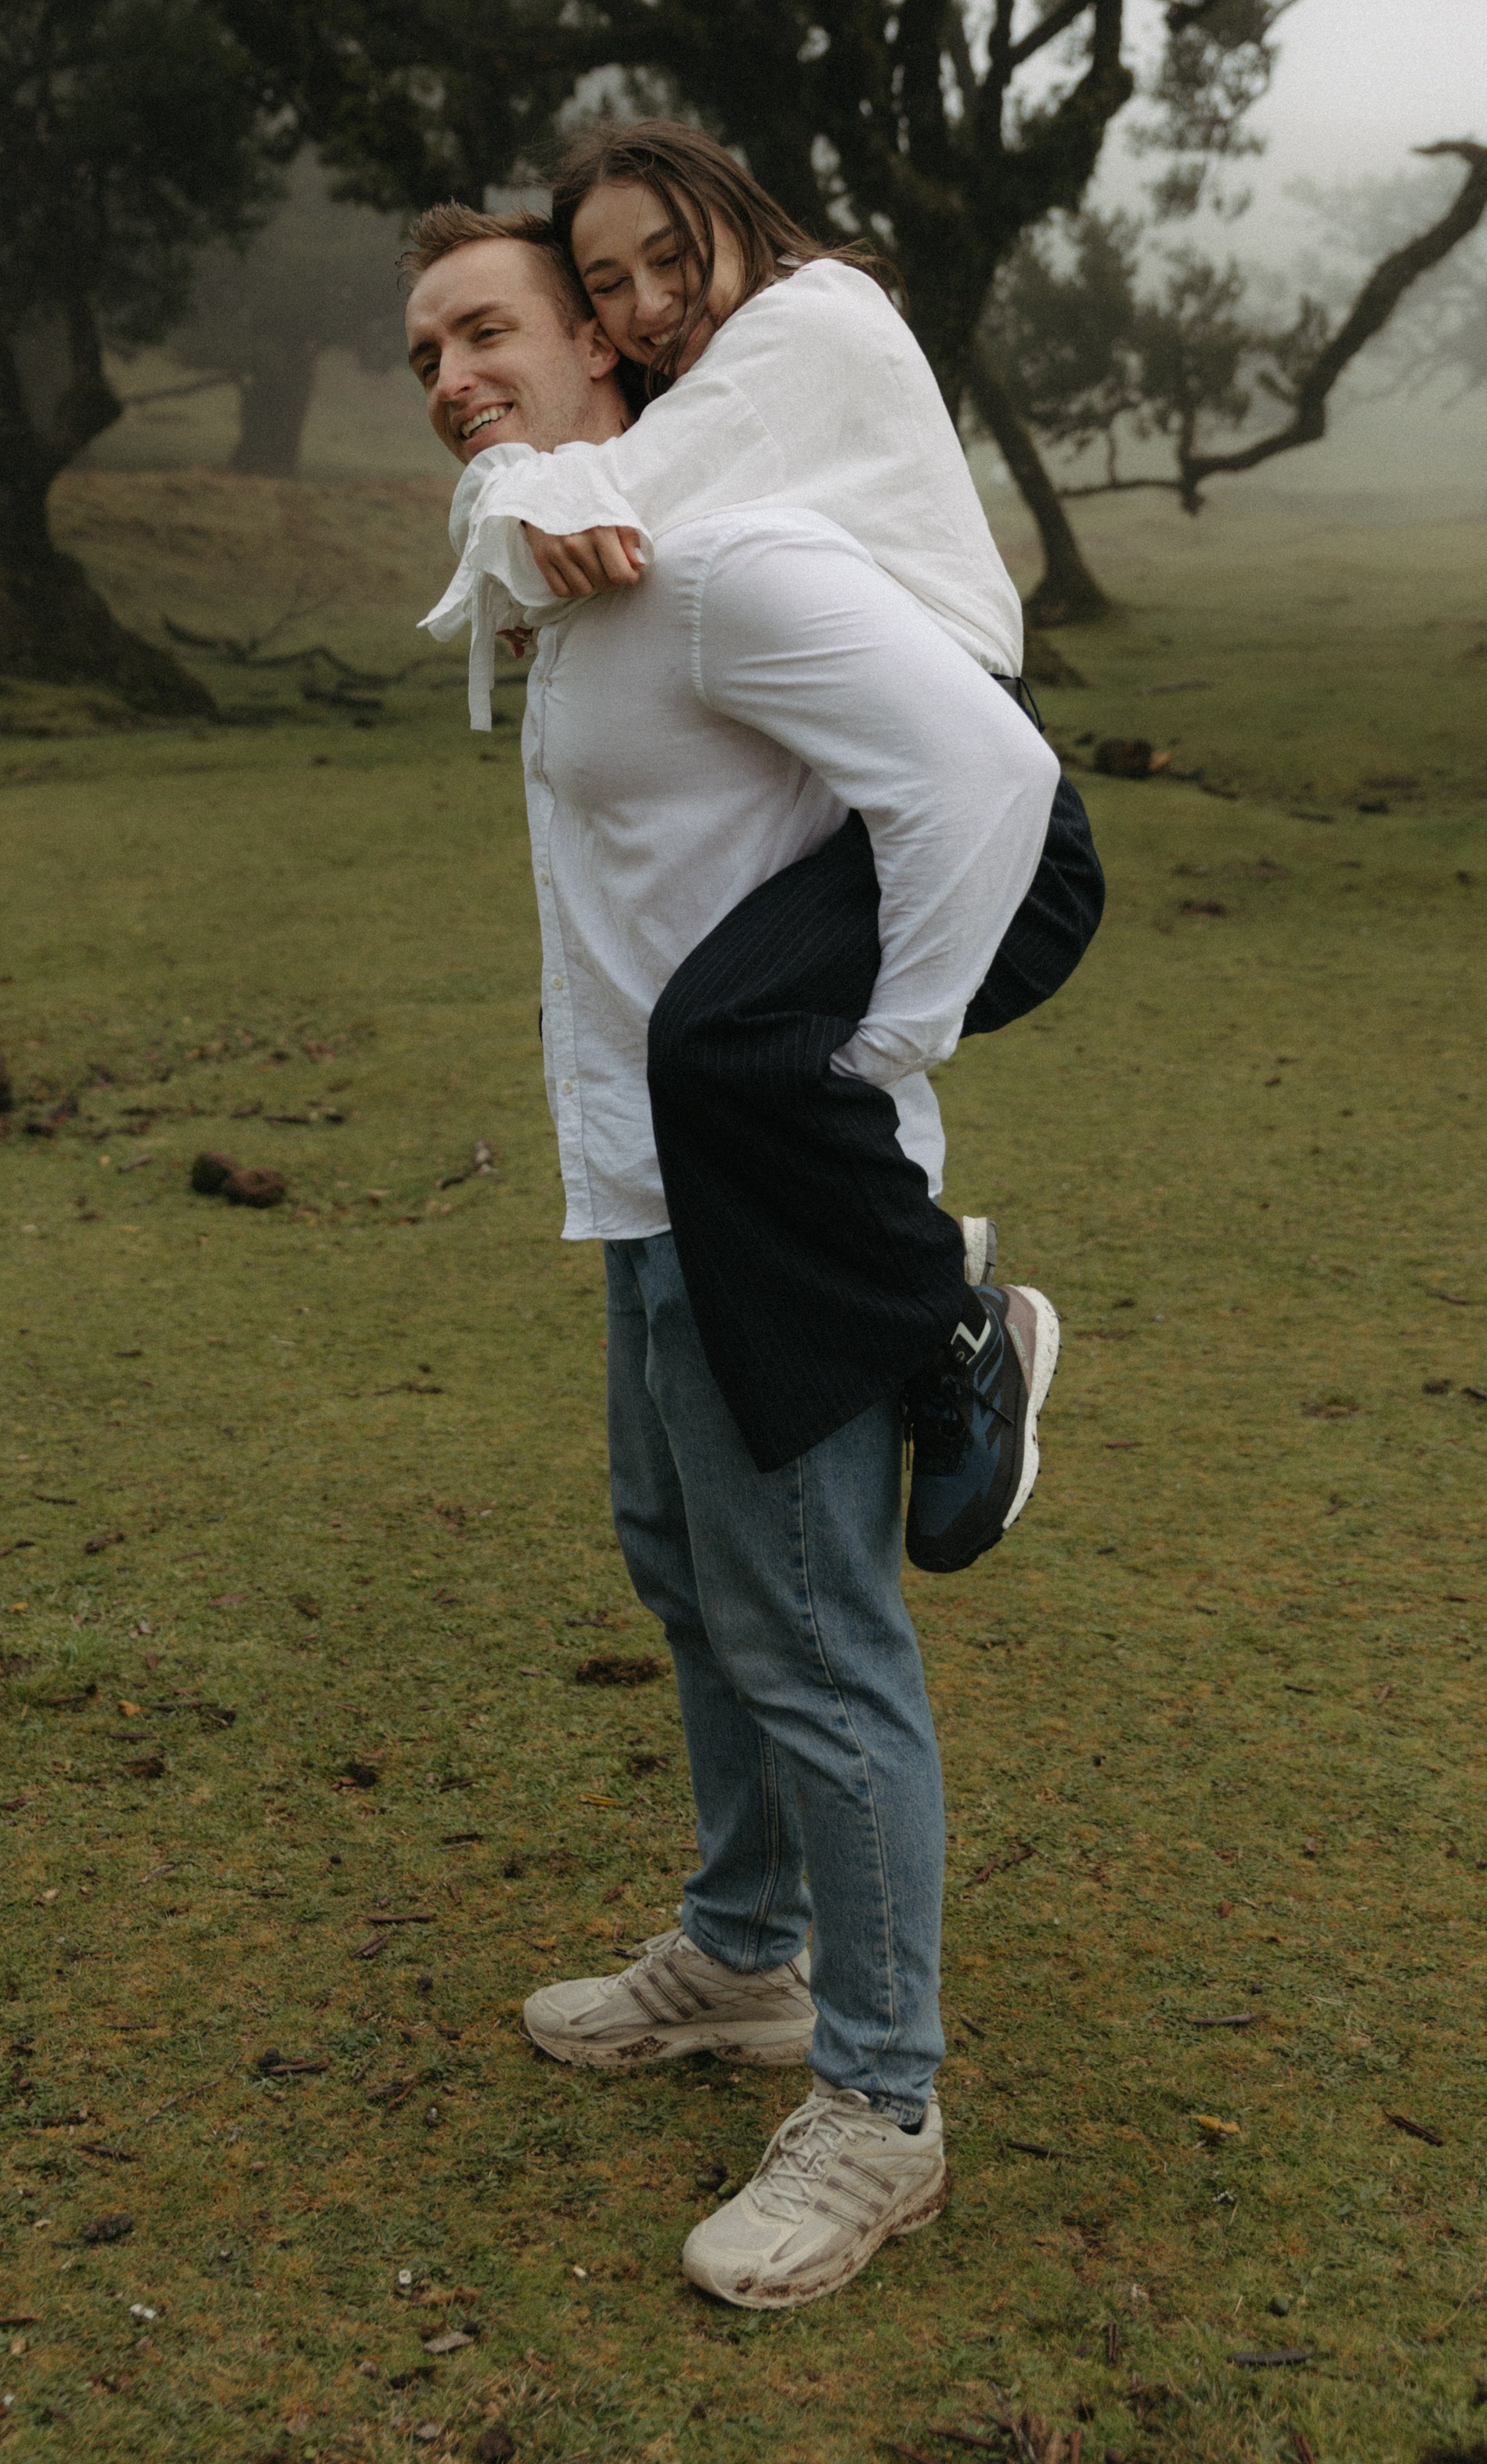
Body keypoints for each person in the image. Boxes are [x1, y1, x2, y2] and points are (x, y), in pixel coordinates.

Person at [402, 184, 1090, 2311]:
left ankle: (882, 2103)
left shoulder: (726, 550)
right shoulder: (582, 563)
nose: (459, 377)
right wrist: (512, 495)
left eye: (501, 331)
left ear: (620, 354)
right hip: (637, 1177)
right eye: (427, 353)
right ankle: (742, 1954)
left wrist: (880, 1055)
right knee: (683, 1566)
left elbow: (986, 769)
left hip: (768, 1201)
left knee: (813, 1628)